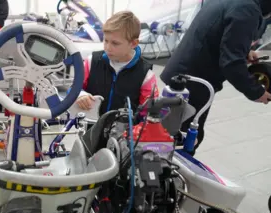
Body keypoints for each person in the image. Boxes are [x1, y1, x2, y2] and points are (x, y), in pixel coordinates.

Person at [160, 0, 271, 155]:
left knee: (177, 135)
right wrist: (256, 91)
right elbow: (232, 63)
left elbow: (218, 34)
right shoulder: (247, 9)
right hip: (193, 82)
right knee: (181, 141)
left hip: (184, 73)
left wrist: (244, 51)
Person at [74, 11, 158, 117]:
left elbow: (149, 113)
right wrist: (81, 95)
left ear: (133, 43)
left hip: (126, 132)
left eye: (115, 43)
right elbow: (74, 88)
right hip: (90, 129)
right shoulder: (91, 62)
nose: (108, 48)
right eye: (106, 41)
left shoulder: (146, 75)